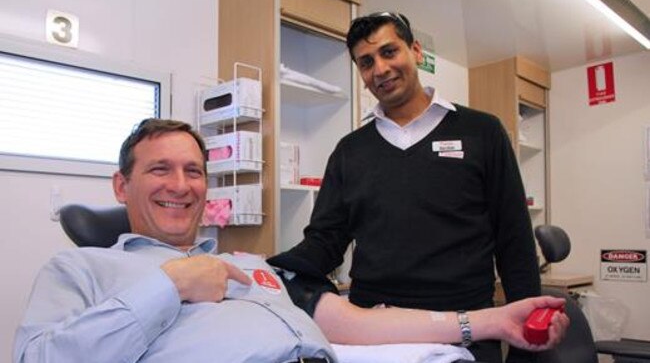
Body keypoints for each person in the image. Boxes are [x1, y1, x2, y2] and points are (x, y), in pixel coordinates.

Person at [14, 119, 567, 363]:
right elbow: (41, 359)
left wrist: (490, 322)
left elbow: (352, 323)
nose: (180, 187)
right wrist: (169, 285)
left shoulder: (247, 265)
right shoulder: (81, 268)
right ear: (121, 185)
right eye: (160, 170)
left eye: (193, 171)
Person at [268, 12, 542, 363]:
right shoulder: (350, 152)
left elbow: (514, 240)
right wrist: (270, 271)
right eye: (366, 62)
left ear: (415, 51)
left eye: (389, 52)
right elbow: (325, 241)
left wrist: (527, 339)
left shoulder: (482, 132)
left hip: (465, 331)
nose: (380, 69)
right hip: (378, 334)